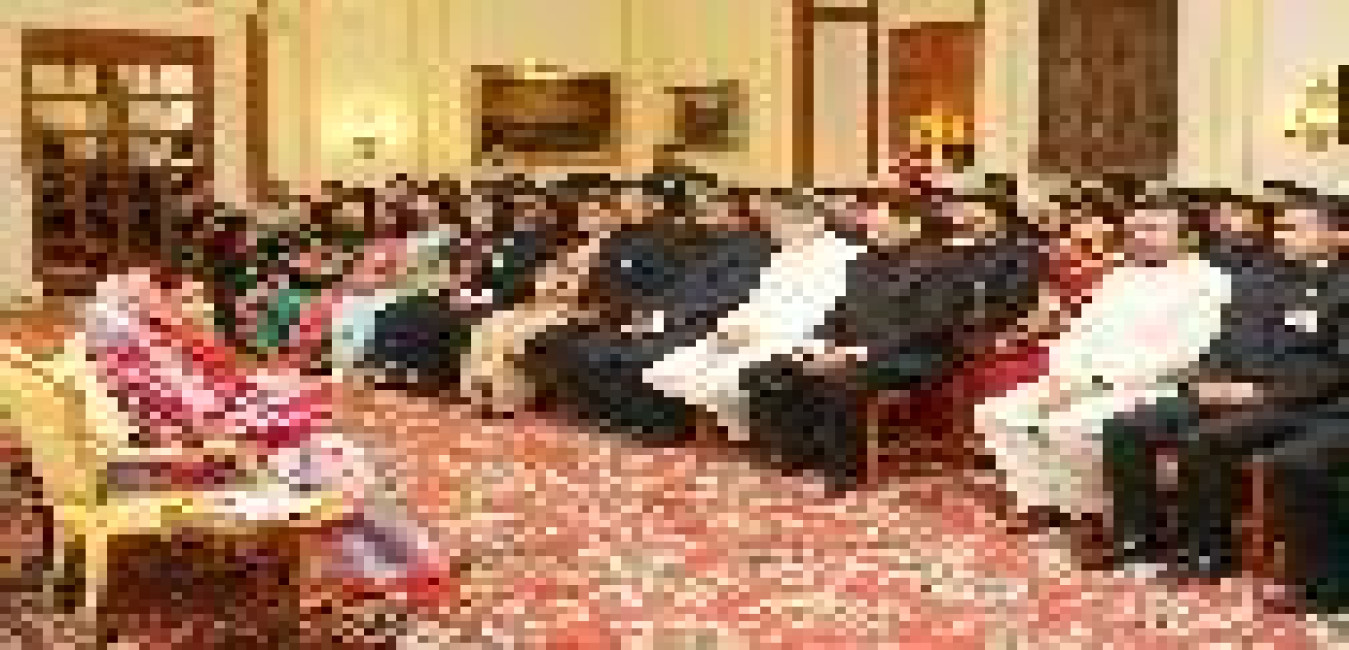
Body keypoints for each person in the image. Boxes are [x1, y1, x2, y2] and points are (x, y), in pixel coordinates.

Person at [1103, 189, 1349, 579]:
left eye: (1296, 228)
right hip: (1230, 385)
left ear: (1338, 235)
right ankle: (1137, 540)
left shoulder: (1342, 287)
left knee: (1206, 440)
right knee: (1126, 426)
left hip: (1298, 401)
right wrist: (1207, 378)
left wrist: (1261, 393)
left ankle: (1207, 551)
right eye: (1281, 228)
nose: (1283, 236)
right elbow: (1224, 340)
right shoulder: (1257, 278)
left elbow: (1338, 369)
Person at [975, 191, 1232, 561]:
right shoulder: (1121, 276)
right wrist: (1063, 376)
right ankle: (1042, 500)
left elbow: (1185, 354)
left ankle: (1099, 514)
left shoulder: (1209, 282)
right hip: (1083, 380)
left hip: (1149, 385)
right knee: (997, 413)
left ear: (1186, 235)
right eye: (1136, 229)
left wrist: (1093, 383)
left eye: (1153, 229)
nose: (1140, 237)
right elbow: (1079, 332)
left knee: (1069, 426)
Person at [737, 189, 1045, 491]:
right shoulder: (865, 262)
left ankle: (844, 470)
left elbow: (927, 326)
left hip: (917, 353)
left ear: (911, 225)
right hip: (856, 348)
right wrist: (820, 343)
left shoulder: (944, 264)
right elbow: (840, 311)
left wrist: (857, 353)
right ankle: (796, 455)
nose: (871, 231)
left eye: (880, 225)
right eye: (871, 226)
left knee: (841, 379)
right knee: (766, 372)